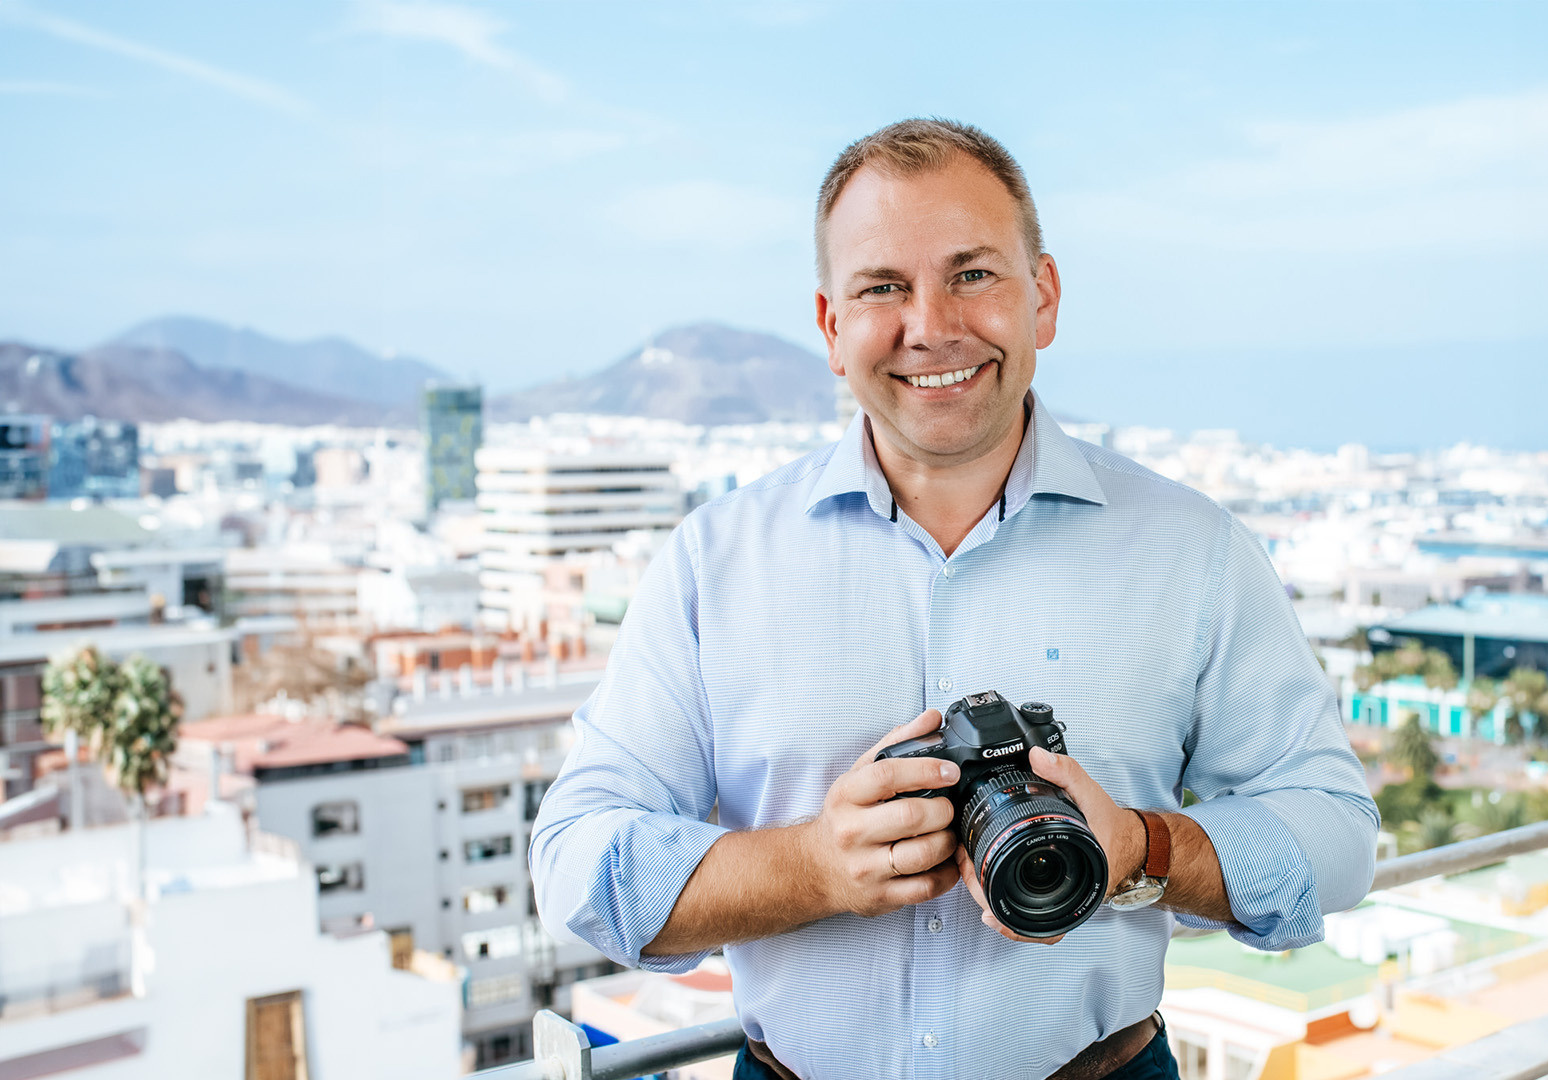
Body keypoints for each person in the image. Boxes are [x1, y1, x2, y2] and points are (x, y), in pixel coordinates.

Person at [530, 118, 1379, 1080]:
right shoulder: (713, 561)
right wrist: (815, 865)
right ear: (831, 327)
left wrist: (1142, 850)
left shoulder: (1193, 550)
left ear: (1042, 298)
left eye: (972, 274)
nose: (930, 325)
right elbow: (576, 863)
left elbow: (1337, 834)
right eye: (882, 287)